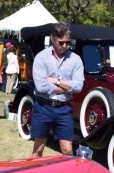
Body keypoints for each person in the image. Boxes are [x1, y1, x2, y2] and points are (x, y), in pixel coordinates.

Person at [30, 23, 84, 157]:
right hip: (43, 107)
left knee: (67, 150)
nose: (65, 46)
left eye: (67, 42)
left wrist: (56, 81)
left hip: (63, 108)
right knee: (39, 148)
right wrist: (67, 88)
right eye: (61, 43)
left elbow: (78, 87)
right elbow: (41, 86)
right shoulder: (41, 57)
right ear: (53, 39)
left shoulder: (76, 59)